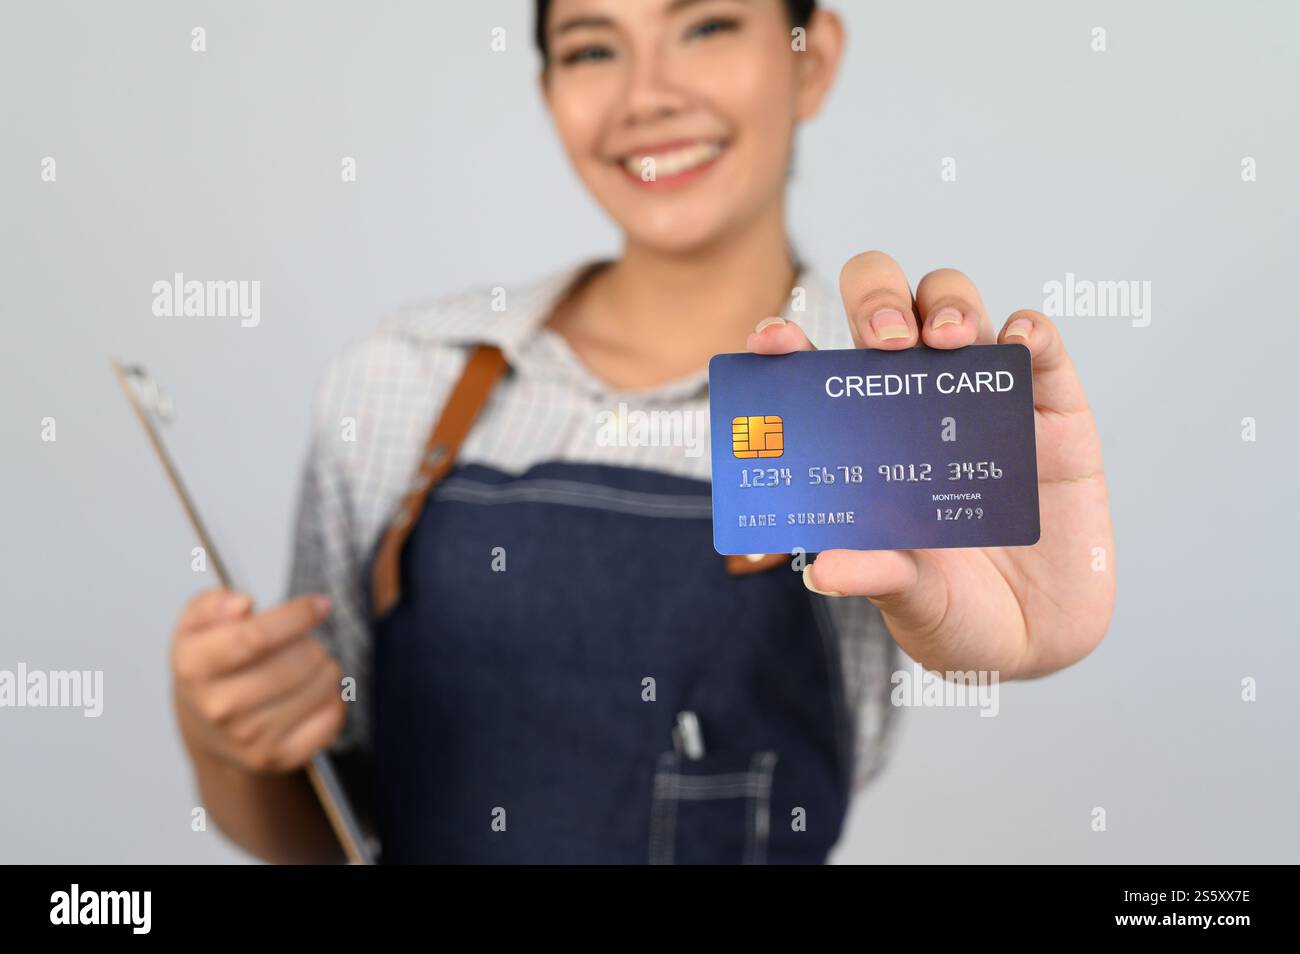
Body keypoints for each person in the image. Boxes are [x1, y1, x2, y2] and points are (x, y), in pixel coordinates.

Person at [169, 0, 1116, 864]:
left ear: (810, 57)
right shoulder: (397, 377)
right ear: (549, 93)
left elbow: (981, 630)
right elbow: (325, 831)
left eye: (704, 25)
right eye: (591, 47)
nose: (647, 95)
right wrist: (228, 747)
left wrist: (1032, 623)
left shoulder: (892, 408)